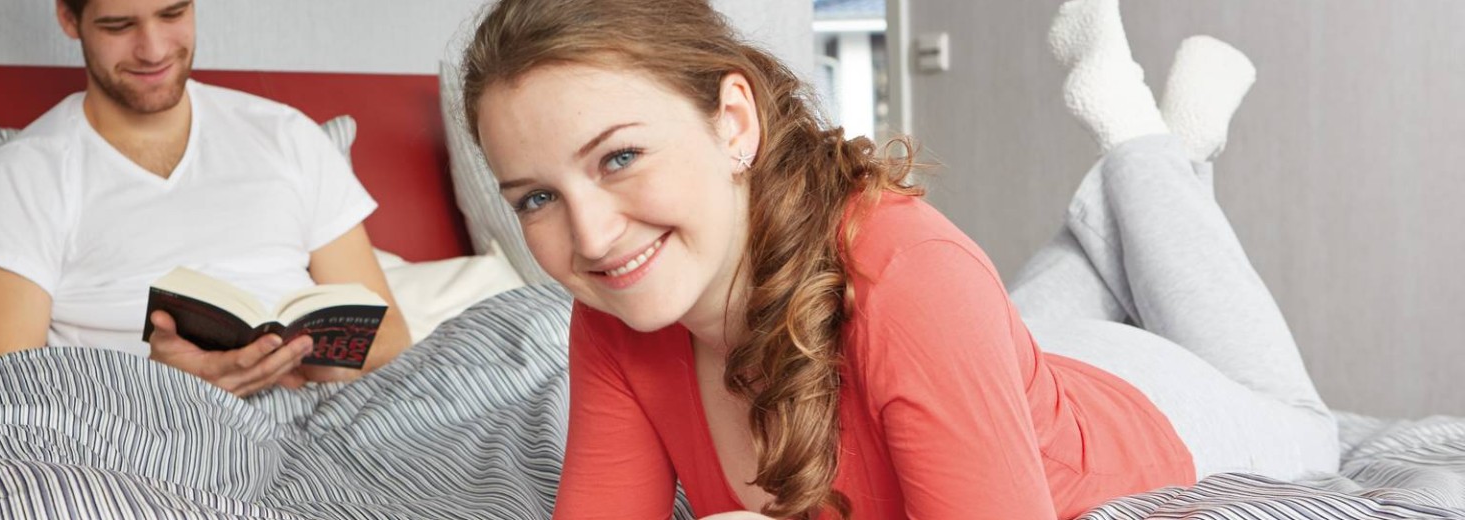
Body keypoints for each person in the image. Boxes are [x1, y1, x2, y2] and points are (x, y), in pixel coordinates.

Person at [459, 0, 1337, 518]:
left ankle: (1143, 138)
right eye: (536, 197)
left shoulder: (911, 275)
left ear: (733, 123)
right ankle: (1171, 168)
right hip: (1000, 361)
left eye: (619, 158)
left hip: (1146, 409)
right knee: (993, 309)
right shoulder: (617, 307)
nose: (593, 236)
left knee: (1313, 425)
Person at [0, 0, 412, 395]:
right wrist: (164, 385)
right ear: (69, 20)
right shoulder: (27, 171)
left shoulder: (285, 134)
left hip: (315, 411)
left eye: (172, 13)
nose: (153, 50)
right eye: (119, 25)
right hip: (139, 429)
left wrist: (306, 361)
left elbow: (391, 338)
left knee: (478, 345)